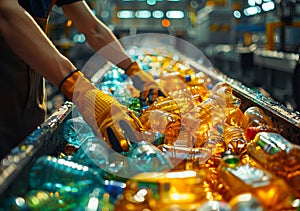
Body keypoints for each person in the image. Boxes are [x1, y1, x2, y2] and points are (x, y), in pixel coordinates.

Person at [0, 0, 166, 158]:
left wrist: (133, 70)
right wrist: (80, 90)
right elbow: (7, 16)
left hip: (29, 96)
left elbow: (94, 29)